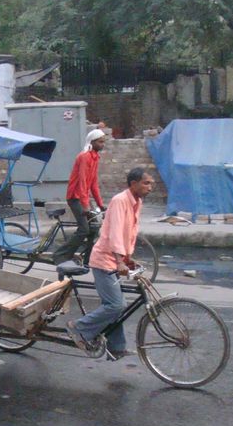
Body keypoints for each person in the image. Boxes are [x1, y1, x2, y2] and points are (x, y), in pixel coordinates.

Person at [66, 167, 155, 359]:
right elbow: (115, 233)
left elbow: (129, 233)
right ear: (134, 184)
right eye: (146, 183)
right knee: (115, 305)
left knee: (116, 304)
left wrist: (128, 259)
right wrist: (119, 261)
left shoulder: (136, 202)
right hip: (104, 261)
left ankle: (116, 347)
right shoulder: (120, 201)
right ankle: (78, 328)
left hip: (116, 260)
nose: (150, 187)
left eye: (151, 183)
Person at [52, 127, 107, 265]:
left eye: (103, 142)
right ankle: (61, 255)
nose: (102, 144)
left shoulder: (95, 157)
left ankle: (89, 258)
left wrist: (100, 204)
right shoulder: (84, 157)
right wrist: (85, 206)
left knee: (95, 226)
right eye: (100, 142)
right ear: (92, 142)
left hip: (84, 198)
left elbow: (93, 183)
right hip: (74, 197)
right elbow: (82, 182)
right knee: (84, 229)